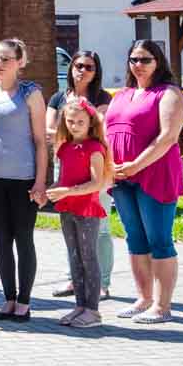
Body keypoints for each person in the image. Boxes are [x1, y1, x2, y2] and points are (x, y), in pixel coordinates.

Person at [107, 39, 183, 323]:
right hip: (121, 176)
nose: (138, 65)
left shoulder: (169, 93)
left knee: (159, 240)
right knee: (136, 239)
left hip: (154, 174)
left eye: (145, 60)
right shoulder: (122, 94)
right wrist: (110, 166)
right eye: (134, 60)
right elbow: (108, 132)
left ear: (158, 62)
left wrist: (135, 165)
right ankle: (143, 299)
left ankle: (163, 306)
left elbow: (167, 137)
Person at [0, 37, 48, 322]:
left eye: (5, 58)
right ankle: (8, 299)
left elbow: (41, 142)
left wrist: (40, 182)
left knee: (23, 239)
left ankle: (25, 302)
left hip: (24, 179)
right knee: (1, 240)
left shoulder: (30, 93)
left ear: (20, 62)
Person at [48, 51, 115, 300]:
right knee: (72, 231)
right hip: (66, 162)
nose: (82, 70)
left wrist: (68, 129)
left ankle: (101, 284)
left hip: (94, 164)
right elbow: (49, 128)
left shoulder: (102, 97)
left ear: (96, 72)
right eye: (78, 65)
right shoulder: (58, 97)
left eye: (89, 67)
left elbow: (100, 127)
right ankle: (73, 280)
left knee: (101, 229)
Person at [47, 97, 113, 329]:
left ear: (91, 123)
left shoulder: (95, 148)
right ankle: (80, 306)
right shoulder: (64, 147)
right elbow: (62, 179)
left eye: (80, 122)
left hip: (87, 208)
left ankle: (93, 311)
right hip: (67, 207)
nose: (75, 125)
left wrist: (69, 191)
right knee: (74, 257)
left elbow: (97, 183)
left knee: (88, 257)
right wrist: (49, 191)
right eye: (70, 121)